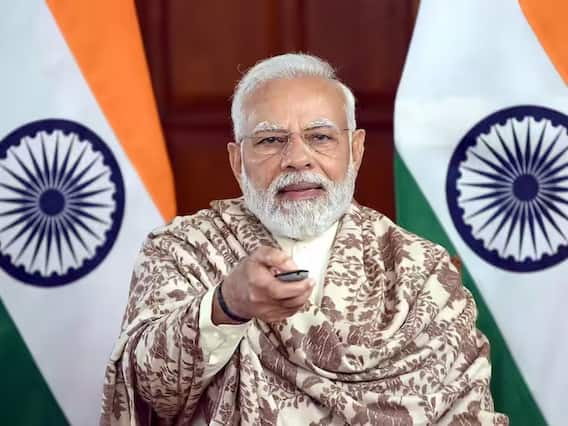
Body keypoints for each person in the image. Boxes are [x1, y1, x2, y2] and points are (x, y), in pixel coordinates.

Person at [100, 53, 508, 425]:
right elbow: (149, 391)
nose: (297, 159)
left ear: (356, 149)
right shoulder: (183, 249)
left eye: (320, 137)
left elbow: (469, 413)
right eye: (271, 140)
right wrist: (227, 305)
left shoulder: (420, 270)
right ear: (237, 160)